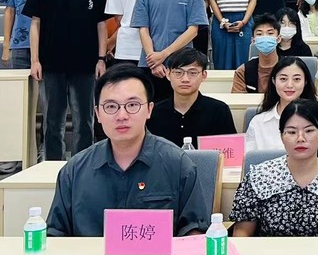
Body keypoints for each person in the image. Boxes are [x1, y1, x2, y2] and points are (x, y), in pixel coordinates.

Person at [47, 65, 210, 237]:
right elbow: (55, 234)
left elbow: (195, 231)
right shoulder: (74, 170)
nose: (122, 116)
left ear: (149, 109)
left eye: (132, 105)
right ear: (98, 114)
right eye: (111, 107)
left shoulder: (178, 164)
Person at [24, 0, 107, 160]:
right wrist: (35, 60)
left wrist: (101, 58)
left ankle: (83, 164)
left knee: (85, 120)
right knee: (53, 120)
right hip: (50, 63)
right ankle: (51, 165)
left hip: (86, 64)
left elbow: (101, 25)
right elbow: (35, 24)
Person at [232, 99, 318, 237]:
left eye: (309, 131)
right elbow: (242, 233)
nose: (300, 138)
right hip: (269, 251)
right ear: (281, 136)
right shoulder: (259, 177)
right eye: (292, 132)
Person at [132, 0, 208, 100]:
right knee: (151, 107)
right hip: (150, 64)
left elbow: (193, 30)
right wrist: (154, 59)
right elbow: (143, 29)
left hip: (182, 64)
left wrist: (164, 54)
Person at [146, 49, 234, 148]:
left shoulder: (219, 111)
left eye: (192, 73)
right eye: (178, 72)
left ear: (204, 75)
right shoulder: (154, 112)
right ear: (168, 74)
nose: (185, 79)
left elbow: (231, 152)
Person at [246, 57, 318, 151]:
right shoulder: (258, 122)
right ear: (274, 81)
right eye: (283, 79)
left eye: (297, 79)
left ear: (305, 81)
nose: (289, 85)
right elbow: (248, 157)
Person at [231, 13, 281, 94]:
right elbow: (238, 99)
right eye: (259, 34)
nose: (265, 37)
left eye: (270, 33)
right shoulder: (243, 71)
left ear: (278, 39)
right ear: (253, 40)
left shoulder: (289, 68)